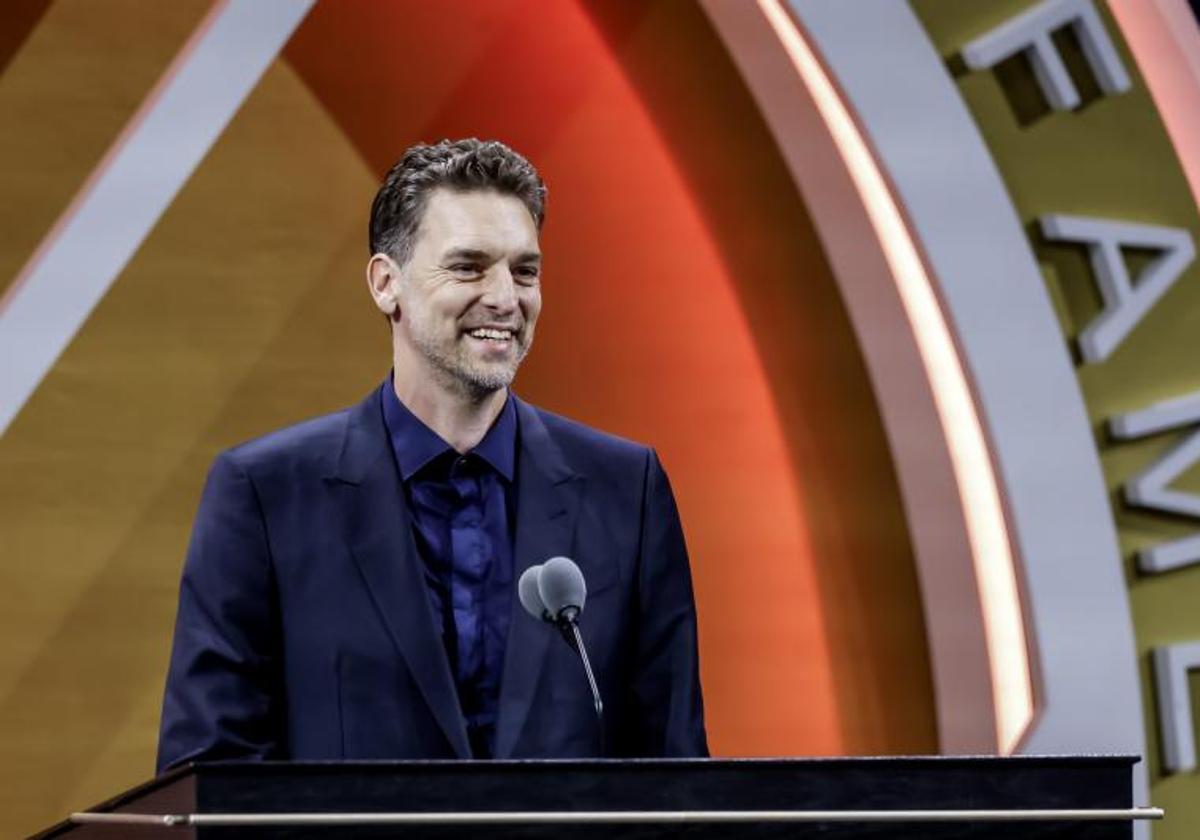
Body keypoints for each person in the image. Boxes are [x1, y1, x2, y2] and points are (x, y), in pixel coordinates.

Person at [156, 139, 707, 772]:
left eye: (525, 271)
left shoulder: (626, 490)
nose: (506, 298)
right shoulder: (265, 493)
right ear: (386, 283)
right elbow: (212, 778)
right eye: (470, 267)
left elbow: (677, 773)